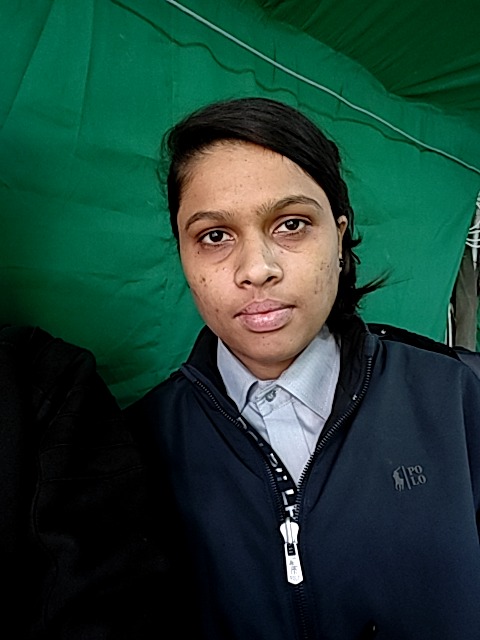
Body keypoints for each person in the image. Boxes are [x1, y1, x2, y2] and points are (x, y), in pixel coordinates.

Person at [126, 96, 480, 639]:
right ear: (183, 256)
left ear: (339, 237)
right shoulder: (136, 446)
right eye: (214, 236)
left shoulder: (460, 396)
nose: (256, 269)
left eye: (291, 224)